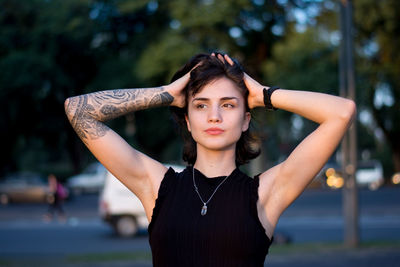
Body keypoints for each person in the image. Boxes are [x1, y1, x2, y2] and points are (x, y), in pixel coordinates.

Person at [64, 52, 355, 266]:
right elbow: (77, 110)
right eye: (201, 105)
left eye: (228, 105)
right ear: (188, 121)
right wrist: (166, 93)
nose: (214, 115)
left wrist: (263, 94)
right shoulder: (156, 186)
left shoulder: (266, 193)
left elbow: (341, 112)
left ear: (245, 120)